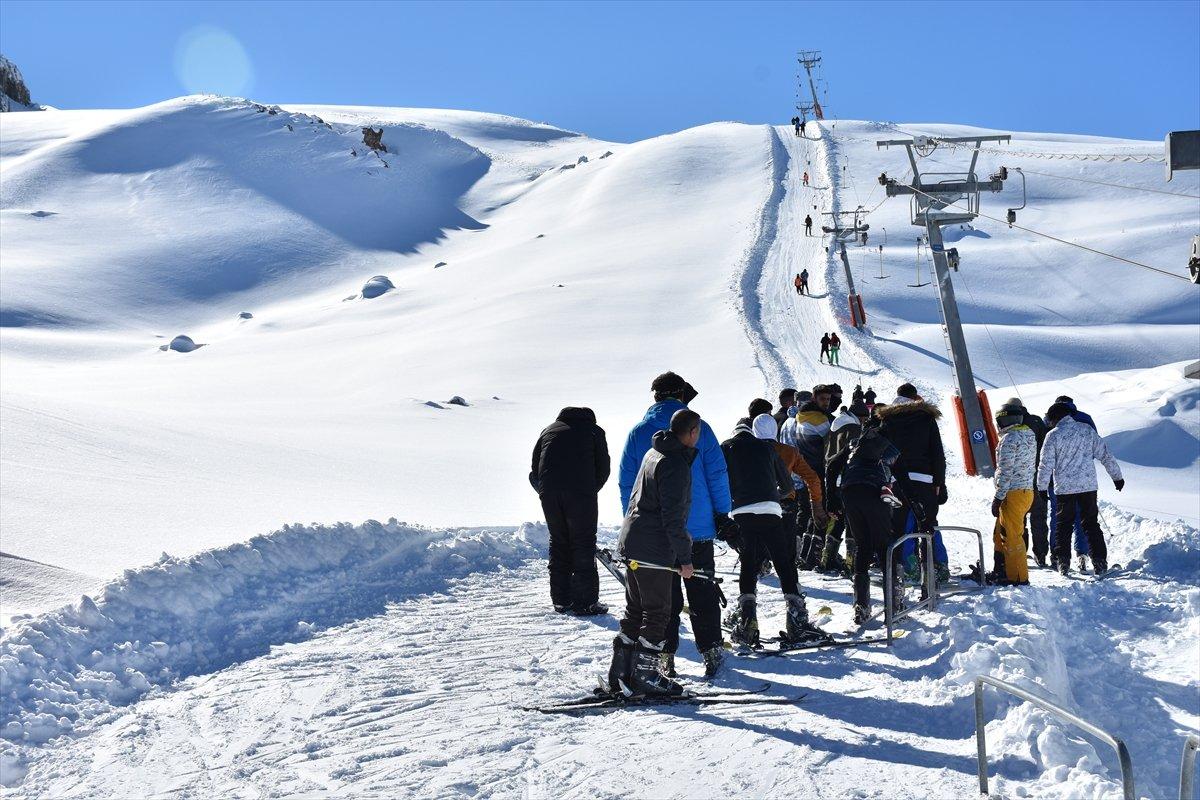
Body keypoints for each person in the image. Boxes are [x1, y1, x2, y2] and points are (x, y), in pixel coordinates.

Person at [618, 372, 731, 677]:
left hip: (654, 534)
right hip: (699, 527)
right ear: (682, 394)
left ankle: (664, 658)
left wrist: (634, 522)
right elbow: (717, 473)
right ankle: (711, 651)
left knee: (663, 600)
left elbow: (628, 482)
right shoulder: (699, 427)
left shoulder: (640, 432)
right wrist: (723, 513)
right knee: (702, 592)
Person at [609, 409, 702, 696]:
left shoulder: (654, 453)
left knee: (636, 610)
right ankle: (645, 676)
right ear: (692, 432)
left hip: (635, 542)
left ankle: (621, 673)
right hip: (652, 548)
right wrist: (685, 560)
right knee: (658, 612)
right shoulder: (675, 464)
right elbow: (673, 518)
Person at [721, 415, 828, 645]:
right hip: (772, 511)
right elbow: (789, 485)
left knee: (749, 564)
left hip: (742, 512)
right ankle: (797, 621)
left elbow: (719, 481)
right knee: (784, 563)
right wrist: (772, 497)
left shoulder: (726, 448)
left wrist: (734, 503)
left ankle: (747, 622)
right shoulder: (769, 448)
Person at [530, 407, 611, 615]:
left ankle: (561, 600)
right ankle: (585, 602)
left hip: (549, 494)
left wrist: (544, 491)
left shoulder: (548, 431)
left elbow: (534, 469)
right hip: (581, 493)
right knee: (583, 542)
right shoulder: (594, 431)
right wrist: (590, 489)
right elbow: (603, 468)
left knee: (558, 541)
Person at [826, 423, 902, 622]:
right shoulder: (889, 447)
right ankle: (893, 606)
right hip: (874, 493)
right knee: (885, 546)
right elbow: (902, 477)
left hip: (850, 492)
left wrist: (831, 499)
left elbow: (832, 464)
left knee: (863, 546)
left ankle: (861, 606)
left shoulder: (854, 444)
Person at [1038, 402, 1123, 577]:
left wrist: (1042, 487)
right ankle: (1100, 562)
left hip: (1065, 489)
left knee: (1064, 525)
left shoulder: (1053, 436)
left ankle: (1063, 562)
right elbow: (1105, 454)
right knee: (1091, 524)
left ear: (1055, 418)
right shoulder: (1086, 430)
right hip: (1088, 487)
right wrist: (1117, 477)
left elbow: (1045, 464)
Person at [876, 383, 950, 583]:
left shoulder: (888, 420)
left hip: (897, 480)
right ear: (915, 397)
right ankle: (938, 566)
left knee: (901, 526)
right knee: (928, 523)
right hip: (925, 480)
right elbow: (937, 452)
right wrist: (939, 482)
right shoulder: (926, 418)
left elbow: (881, 452)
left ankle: (908, 568)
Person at [1045, 395, 1097, 570]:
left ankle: (1057, 555)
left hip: (1058, 481)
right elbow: (1095, 446)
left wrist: (1042, 483)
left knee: (1059, 519)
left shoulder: (1051, 420)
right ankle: (1082, 554)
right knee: (1083, 518)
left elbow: (1046, 453)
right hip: (1085, 481)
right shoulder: (1086, 419)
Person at [819, 401, 870, 572]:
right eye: (864, 420)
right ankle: (851, 563)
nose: (864, 423)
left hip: (833, 477)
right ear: (860, 417)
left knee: (838, 520)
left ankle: (827, 559)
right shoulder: (854, 428)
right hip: (846, 478)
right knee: (852, 521)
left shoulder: (835, 425)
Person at [999, 398, 1050, 567]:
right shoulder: (1035, 422)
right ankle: (1041, 553)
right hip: (1038, 477)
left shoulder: (1011, 430)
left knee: (1019, 520)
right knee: (1039, 517)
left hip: (1019, 480)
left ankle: (1022, 552)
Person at [991, 404, 1036, 585]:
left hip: (1012, 492)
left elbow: (1006, 470)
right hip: (1024, 491)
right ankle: (1001, 568)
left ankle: (1017, 576)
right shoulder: (1028, 435)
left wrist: (998, 496)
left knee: (1012, 535)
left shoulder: (1010, 439)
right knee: (1000, 533)